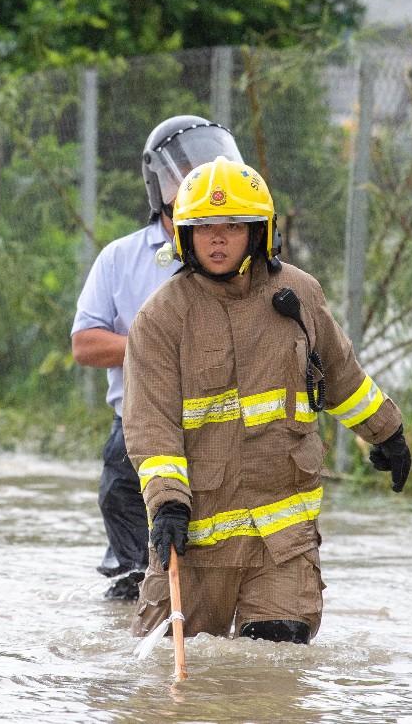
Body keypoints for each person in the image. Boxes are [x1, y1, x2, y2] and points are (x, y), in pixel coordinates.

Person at [123, 155, 411, 644]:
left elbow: (342, 375)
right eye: (205, 227)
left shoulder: (297, 296)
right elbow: (151, 426)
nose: (218, 239)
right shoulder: (160, 319)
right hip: (196, 545)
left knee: (274, 673)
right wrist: (168, 505)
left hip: (283, 545)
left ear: (259, 232)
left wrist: (388, 432)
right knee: (166, 677)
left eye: (234, 226)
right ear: (184, 236)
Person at [72, 116, 246, 601]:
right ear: (159, 185)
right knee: (135, 586)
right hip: (136, 434)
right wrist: (157, 347)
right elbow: (85, 344)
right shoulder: (119, 258)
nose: (199, 181)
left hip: (219, 434)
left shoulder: (243, 255)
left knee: (216, 580)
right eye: (184, 170)